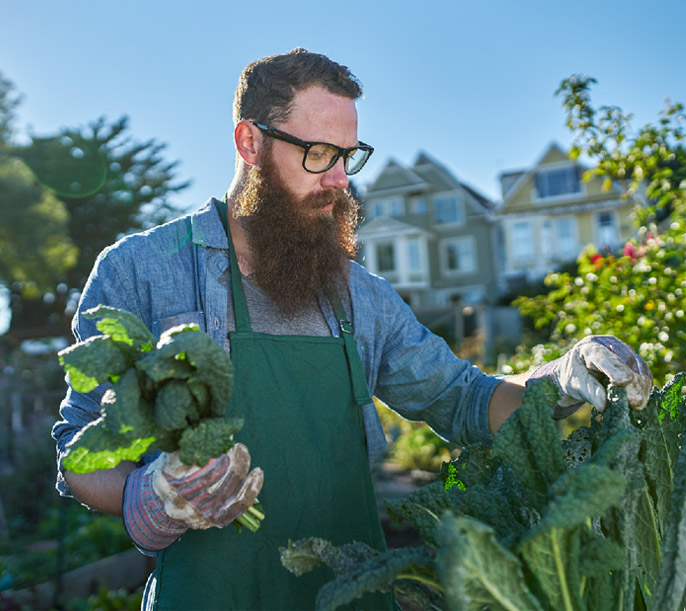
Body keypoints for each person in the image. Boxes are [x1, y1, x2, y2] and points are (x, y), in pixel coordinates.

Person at [52, 48, 653, 610]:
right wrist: (148, 498)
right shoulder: (143, 270)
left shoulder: (359, 295)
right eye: (319, 154)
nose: (340, 180)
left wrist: (561, 380)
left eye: (347, 156)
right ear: (250, 143)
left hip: (347, 592)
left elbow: (466, 400)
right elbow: (80, 449)